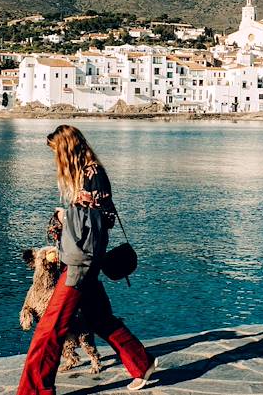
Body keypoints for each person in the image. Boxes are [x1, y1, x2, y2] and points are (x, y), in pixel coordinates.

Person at [17, 125, 158, 394]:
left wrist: (64, 216)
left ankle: (34, 390)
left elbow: (100, 221)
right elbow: (97, 218)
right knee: (100, 318)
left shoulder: (92, 175)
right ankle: (142, 363)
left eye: (57, 151)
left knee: (51, 328)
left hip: (79, 264)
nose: (55, 157)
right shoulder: (90, 173)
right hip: (86, 260)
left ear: (67, 149)